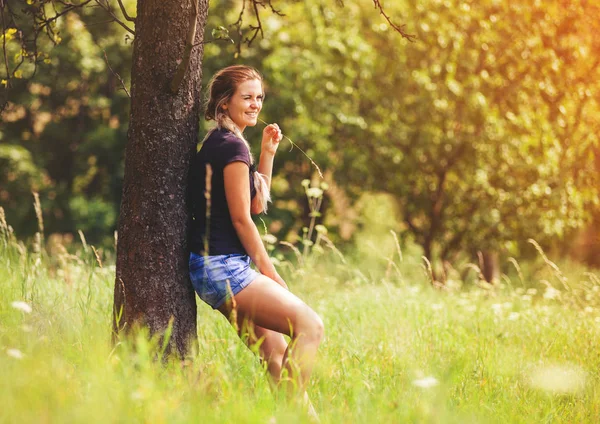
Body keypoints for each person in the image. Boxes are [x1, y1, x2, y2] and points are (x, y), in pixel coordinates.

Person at [188, 65, 324, 398]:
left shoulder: (223, 143)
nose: (255, 104)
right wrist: (270, 272)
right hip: (224, 267)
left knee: (276, 356)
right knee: (310, 327)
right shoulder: (232, 148)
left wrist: (267, 154)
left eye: (259, 97)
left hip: (209, 267)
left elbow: (254, 206)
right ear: (224, 104)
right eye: (246, 97)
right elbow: (241, 220)